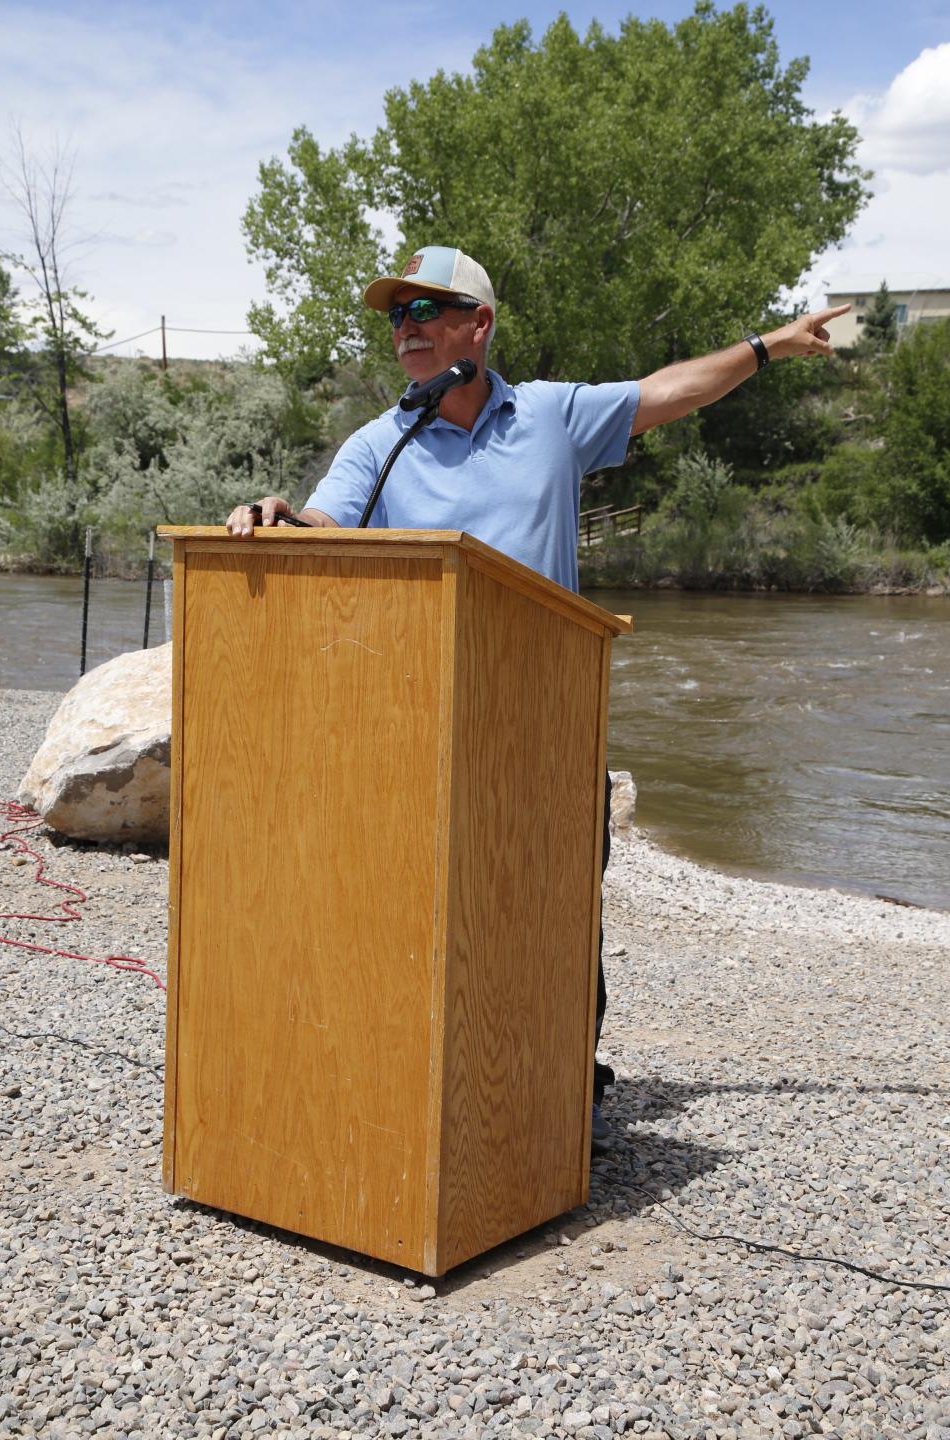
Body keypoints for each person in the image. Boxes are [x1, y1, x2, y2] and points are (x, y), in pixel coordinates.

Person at [227, 244, 847, 1153]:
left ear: (478, 325)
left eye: (426, 311)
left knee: (553, 924)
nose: (407, 330)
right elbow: (329, 525)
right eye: (397, 316)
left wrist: (769, 347)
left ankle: (558, 1089)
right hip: (421, 735)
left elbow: (669, 391)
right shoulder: (380, 440)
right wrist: (281, 517)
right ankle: (427, 1087)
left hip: (548, 730)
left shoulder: (552, 415)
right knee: (431, 918)